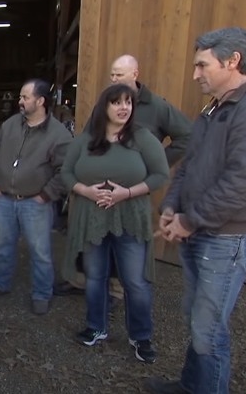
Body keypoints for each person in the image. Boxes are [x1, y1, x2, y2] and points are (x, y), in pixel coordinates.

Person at [145, 28, 246, 393]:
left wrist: (190, 220)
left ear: (232, 60)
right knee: (198, 322)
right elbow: (190, 166)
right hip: (201, 234)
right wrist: (171, 206)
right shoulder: (213, 110)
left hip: (226, 240)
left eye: (202, 65)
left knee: (209, 331)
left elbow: (243, 183)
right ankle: (192, 386)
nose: (195, 74)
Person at [54, 54, 192, 297]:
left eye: (119, 74)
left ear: (135, 74)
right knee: (90, 237)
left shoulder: (158, 106)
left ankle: (117, 291)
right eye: (112, 74)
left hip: (131, 191)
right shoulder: (103, 104)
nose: (113, 78)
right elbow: (88, 139)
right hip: (94, 190)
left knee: (126, 239)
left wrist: (153, 164)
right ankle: (83, 282)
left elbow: (187, 137)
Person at [61, 83, 169, 362]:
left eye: (128, 103)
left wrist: (127, 193)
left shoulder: (142, 139)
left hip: (130, 217)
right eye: (116, 102)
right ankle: (96, 327)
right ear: (104, 107)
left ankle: (141, 336)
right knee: (95, 277)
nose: (124, 107)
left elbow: (160, 174)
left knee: (135, 281)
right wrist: (85, 190)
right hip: (93, 218)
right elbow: (66, 172)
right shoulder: (86, 140)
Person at [0, 78, 72, 315]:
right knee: (3, 246)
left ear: (40, 101)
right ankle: (0, 284)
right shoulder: (10, 124)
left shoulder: (58, 134)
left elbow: (67, 170)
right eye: (20, 97)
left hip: (35, 203)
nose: (20, 101)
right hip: (5, 199)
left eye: (25, 97)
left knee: (40, 251)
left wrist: (46, 195)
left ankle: (42, 294)